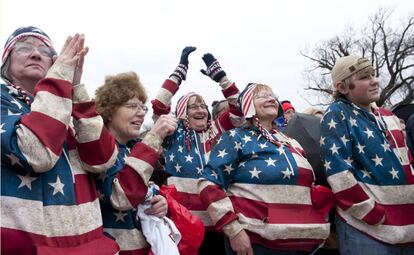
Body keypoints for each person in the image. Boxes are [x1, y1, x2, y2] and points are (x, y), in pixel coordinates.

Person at [1, 27, 120, 254]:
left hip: (91, 245)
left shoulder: (64, 105)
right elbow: (35, 153)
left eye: (45, 51)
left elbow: (102, 158)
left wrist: (75, 88)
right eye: (24, 47)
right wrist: (59, 76)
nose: (36, 54)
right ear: (6, 60)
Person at [198, 83, 331, 255]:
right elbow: (208, 185)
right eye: (262, 96)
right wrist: (234, 231)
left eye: (273, 95)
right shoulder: (235, 137)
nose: (271, 99)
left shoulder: (292, 142)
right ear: (248, 105)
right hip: (257, 244)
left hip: (300, 242)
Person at [151, 47, 243, 254]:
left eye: (203, 106)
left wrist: (221, 78)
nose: (201, 110)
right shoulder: (172, 133)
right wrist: (179, 73)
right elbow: (158, 106)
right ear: (183, 112)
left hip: (221, 223)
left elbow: (239, 109)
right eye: (194, 107)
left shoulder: (218, 131)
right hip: (183, 222)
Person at [320, 55, 414, 255]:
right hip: (367, 231)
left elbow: (408, 163)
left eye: (374, 74)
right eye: (364, 77)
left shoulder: (389, 116)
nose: (374, 81)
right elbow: (339, 173)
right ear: (342, 87)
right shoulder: (336, 115)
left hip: (408, 226)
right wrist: (370, 212)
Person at [94, 71, 178, 254]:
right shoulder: (98, 150)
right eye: (132, 106)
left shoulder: (131, 148)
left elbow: (142, 191)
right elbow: (120, 196)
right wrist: (154, 136)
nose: (141, 114)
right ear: (109, 110)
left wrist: (161, 203)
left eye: (143, 108)